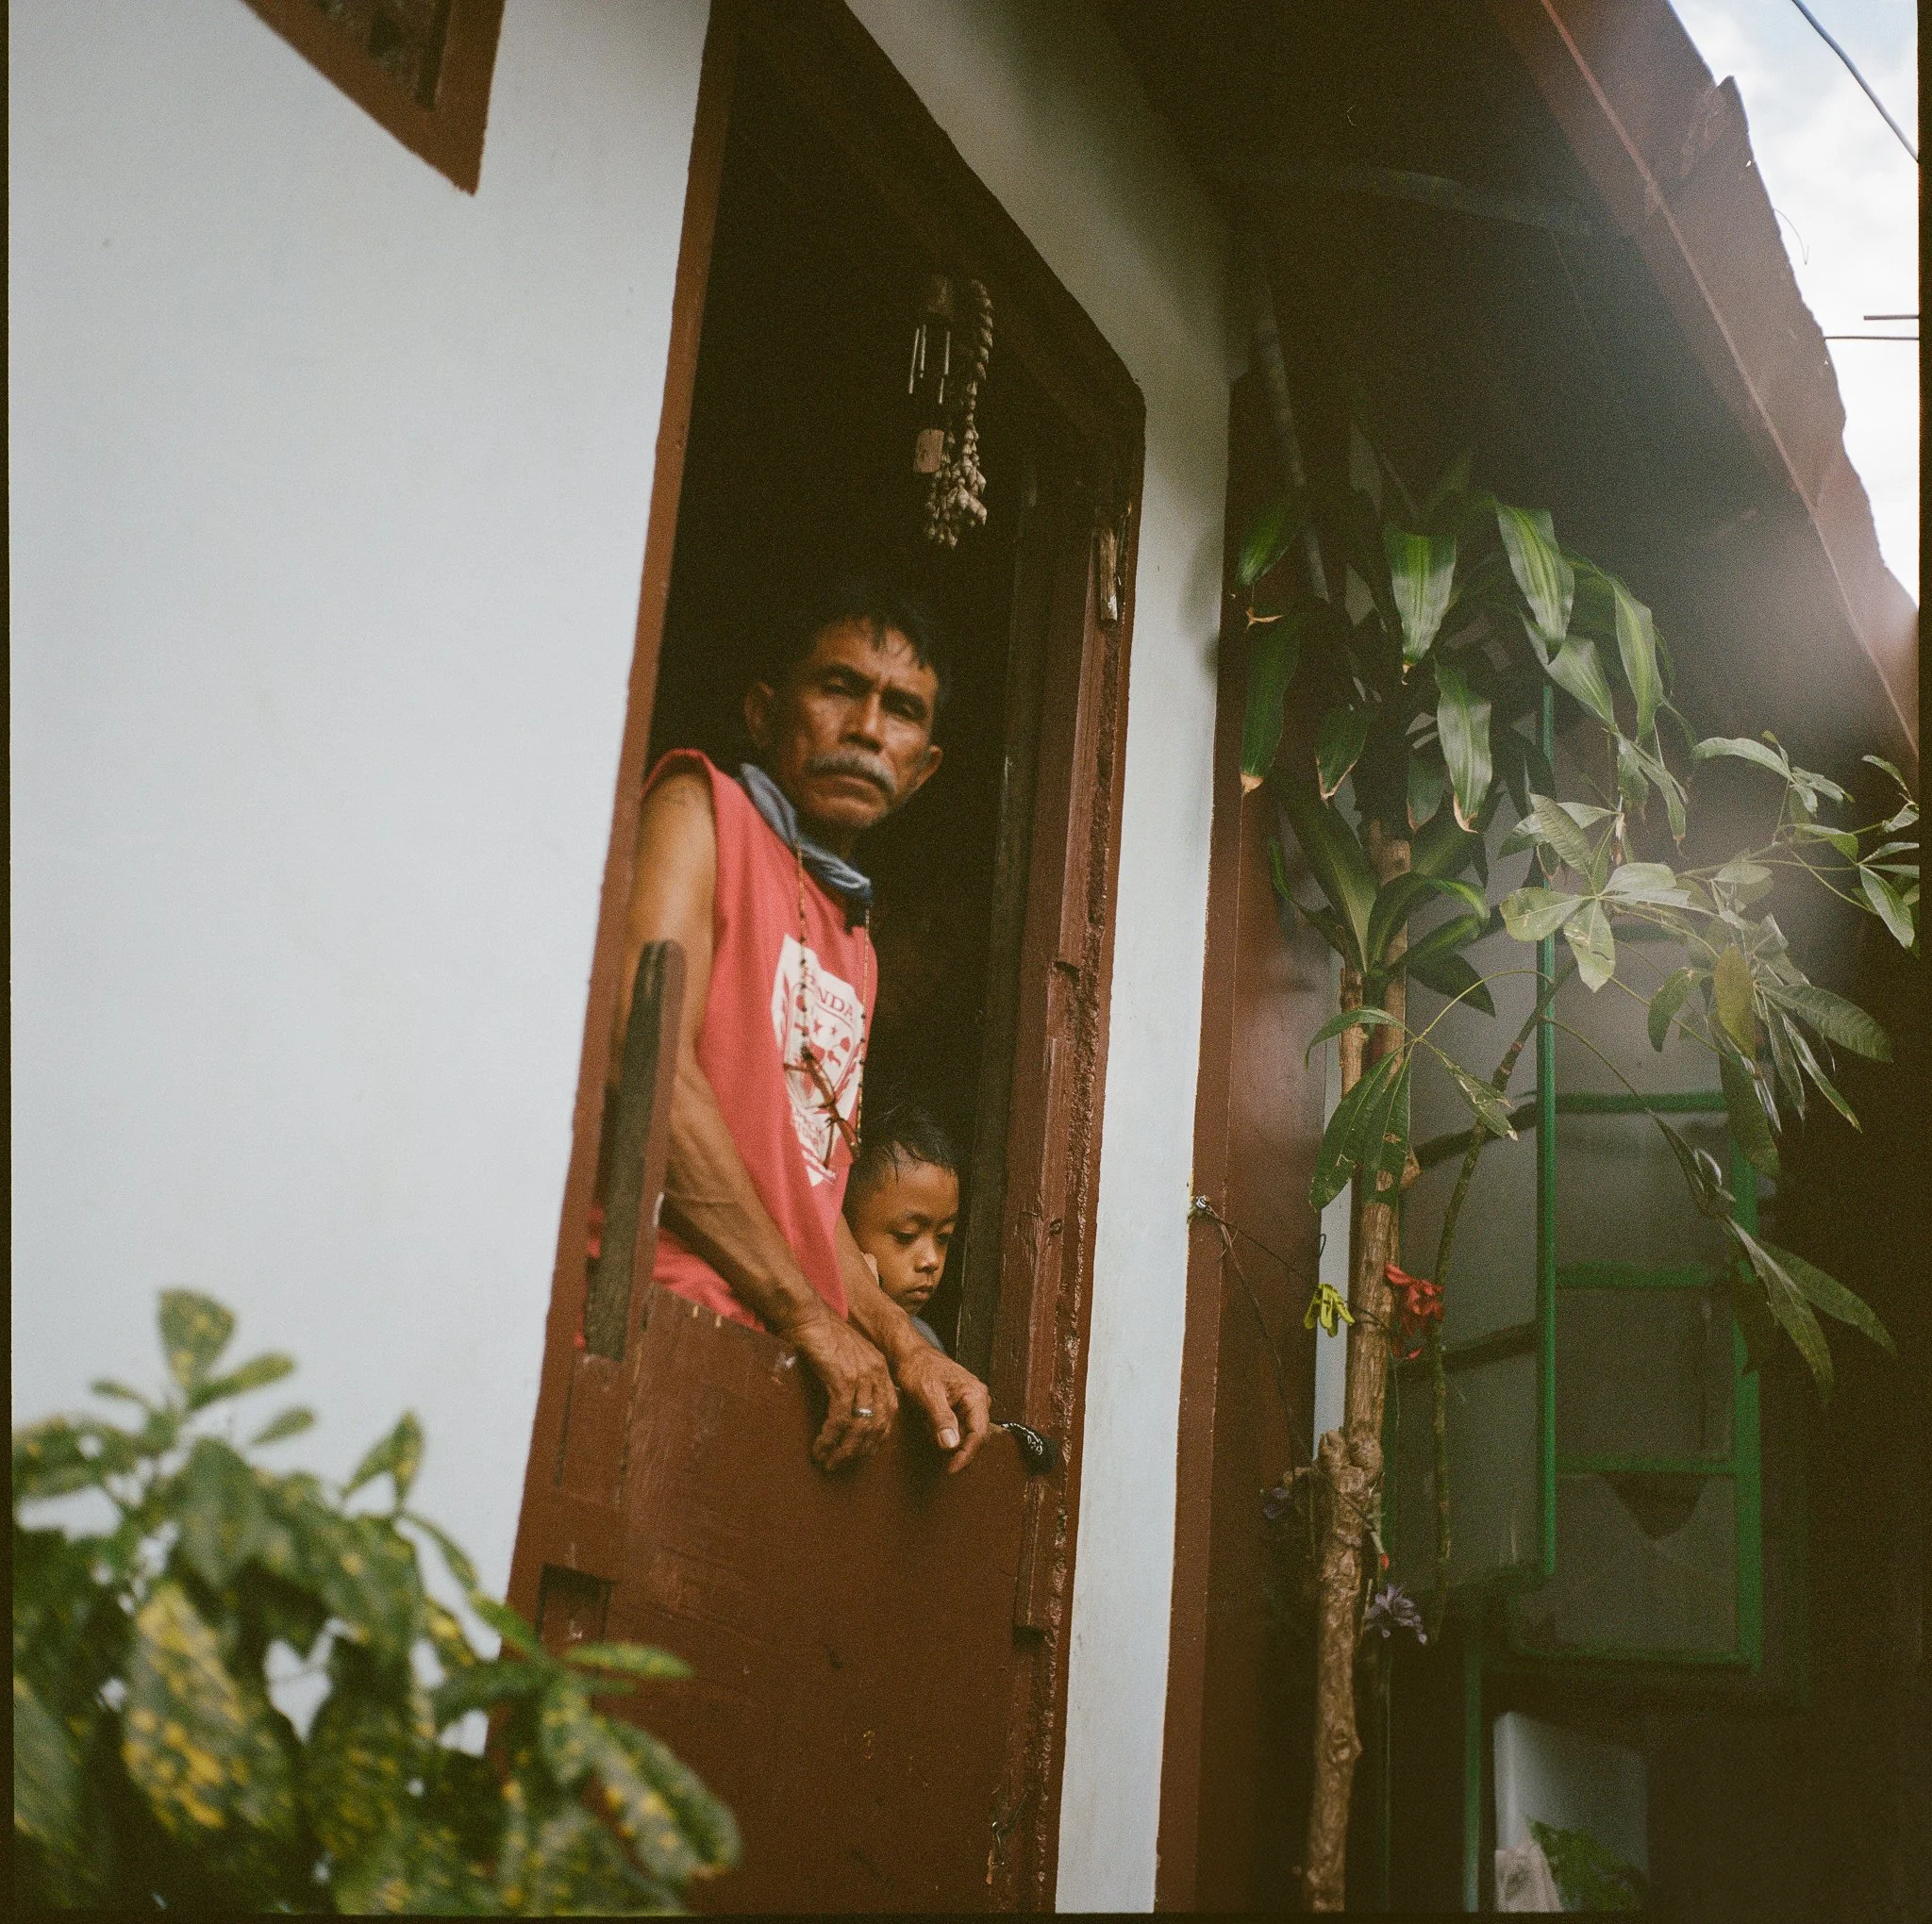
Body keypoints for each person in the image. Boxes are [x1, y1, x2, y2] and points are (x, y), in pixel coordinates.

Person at [613, 579, 991, 1475]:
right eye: (839, 688)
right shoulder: (700, 810)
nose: (867, 728)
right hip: (659, 1324)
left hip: (779, 1366)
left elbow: (807, 1204)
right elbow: (645, 1063)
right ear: (763, 711)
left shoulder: (856, 941)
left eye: (902, 709)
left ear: (925, 767)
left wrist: (907, 1348)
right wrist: (809, 1317)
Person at [842, 1103, 959, 1354]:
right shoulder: (817, 1324)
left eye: (943, 1237)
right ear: (845, 1230)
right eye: (906, 1236)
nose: (931, 1260)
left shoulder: (924, 1340)